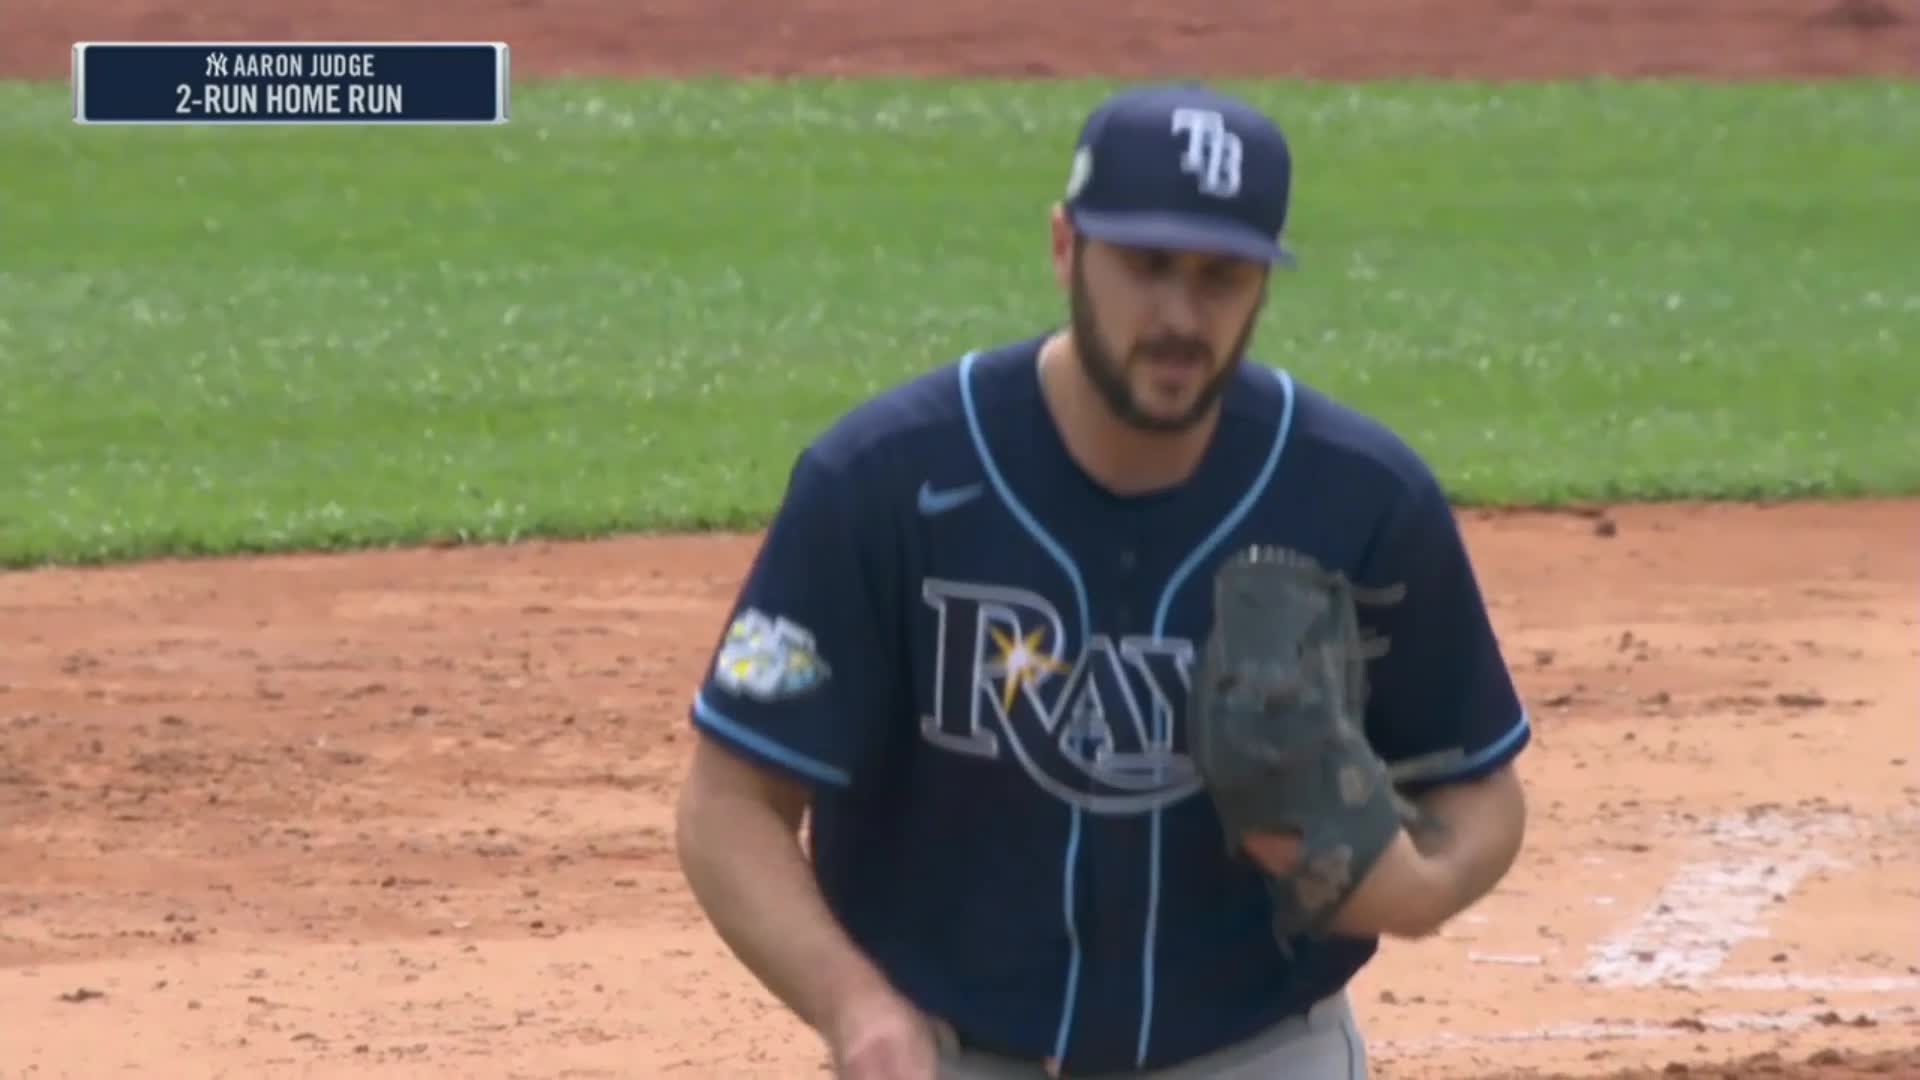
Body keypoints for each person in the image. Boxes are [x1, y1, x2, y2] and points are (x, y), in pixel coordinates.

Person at [673, 81, 1532, 1079]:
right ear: (1065, 247)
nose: (1179, 314)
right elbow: (730, 804)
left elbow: (1480, 792)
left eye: (1222, 276)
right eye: (1146, 265)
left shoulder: (1358, 499)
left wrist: (1422, 888)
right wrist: (855, 1008)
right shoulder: (883, 483)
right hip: (950, 1054)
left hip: (1255, 1049)